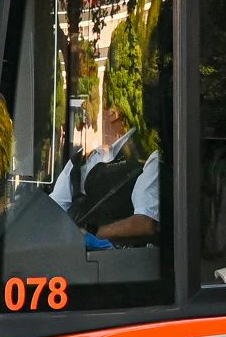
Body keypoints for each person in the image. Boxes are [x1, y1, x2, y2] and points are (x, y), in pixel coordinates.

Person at [48, 101, 160, 249]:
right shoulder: (81, 159)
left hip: (125, 259)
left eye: (92, 102)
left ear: (114, 113)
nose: (84, 108)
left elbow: (146, 223)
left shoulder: (147, 154)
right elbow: (52, 212)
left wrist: (92, 234)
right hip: (74, 256)